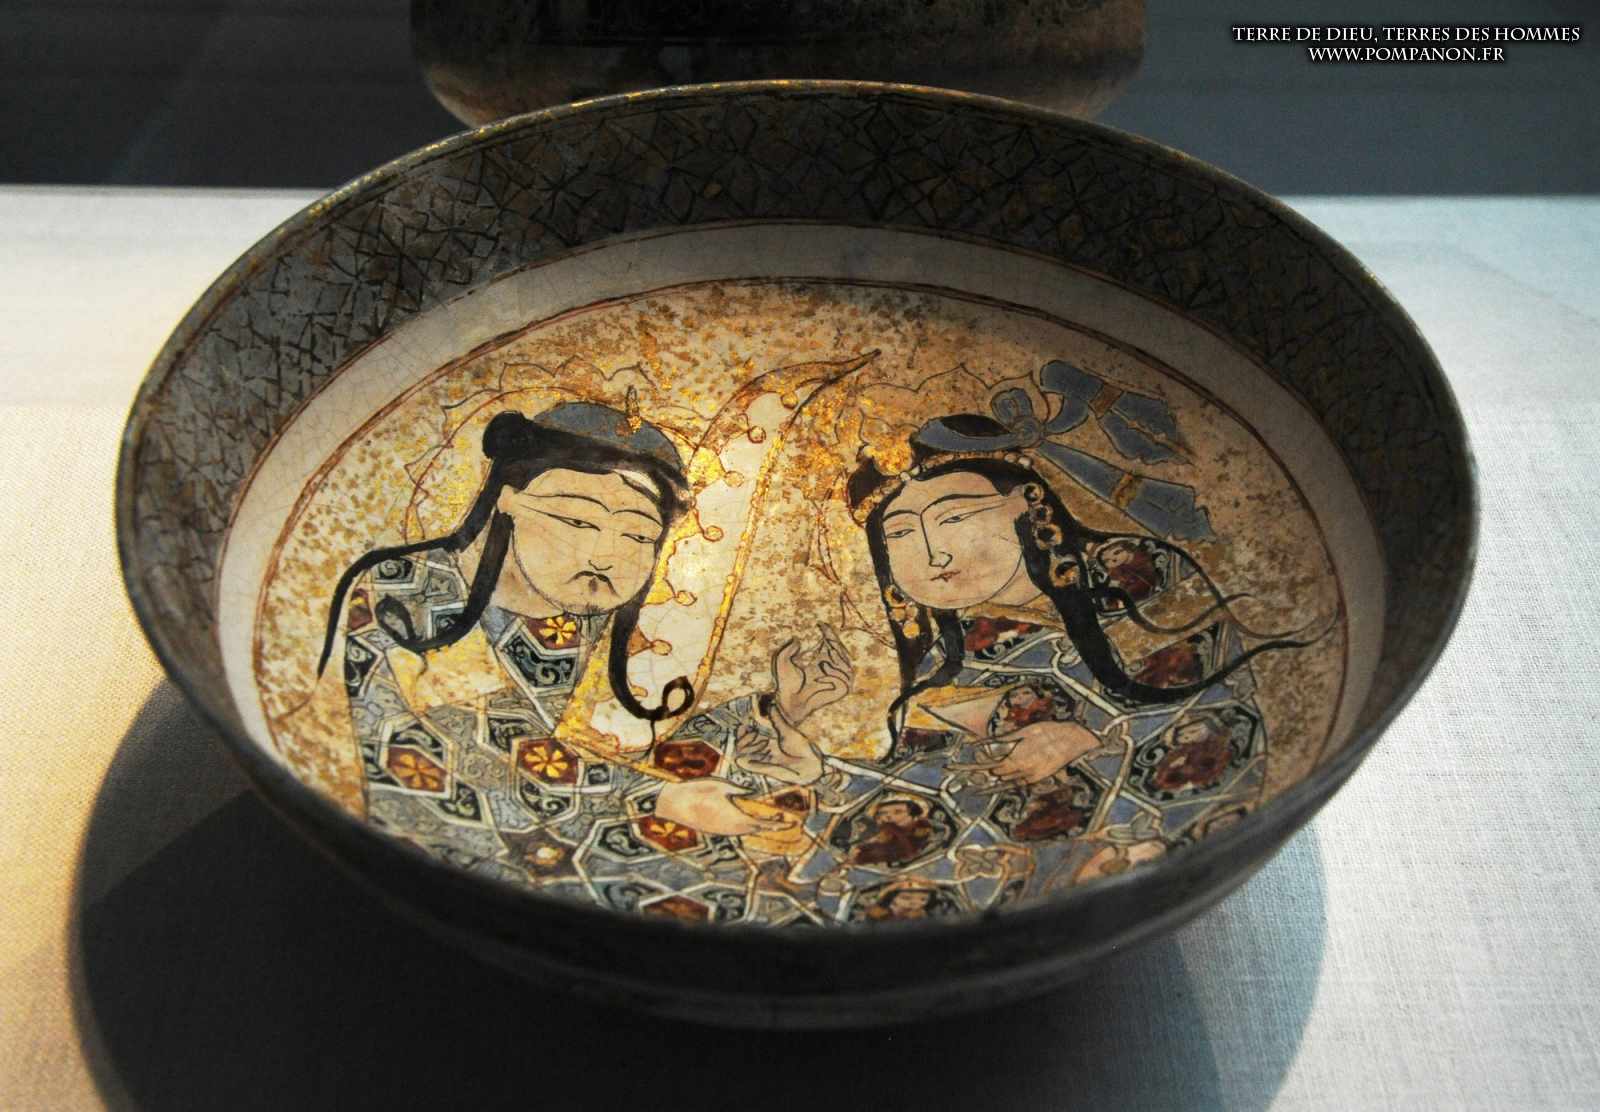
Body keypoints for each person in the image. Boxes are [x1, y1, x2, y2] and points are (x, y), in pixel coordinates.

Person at [321, 402, 852, 915]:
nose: (606, 555)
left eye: (638, 534)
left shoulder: (589, 617)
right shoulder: (408, 590)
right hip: (449, 856)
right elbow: (481, 756)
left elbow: (615, 750)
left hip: (581, 837)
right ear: (507, 499)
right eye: (578, 522)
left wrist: (773, 717)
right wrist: (658, 800)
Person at [820, 412, 1319, 906]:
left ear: (1025, 503)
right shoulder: (950, 660)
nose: (934, 555)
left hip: (1164, 827)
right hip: (1032, 870)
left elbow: (1221, 712)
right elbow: (928, 792)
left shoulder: (1134, 575)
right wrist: (801, 758)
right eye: (900, 534)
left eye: (953, 518)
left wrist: (1090, 740)